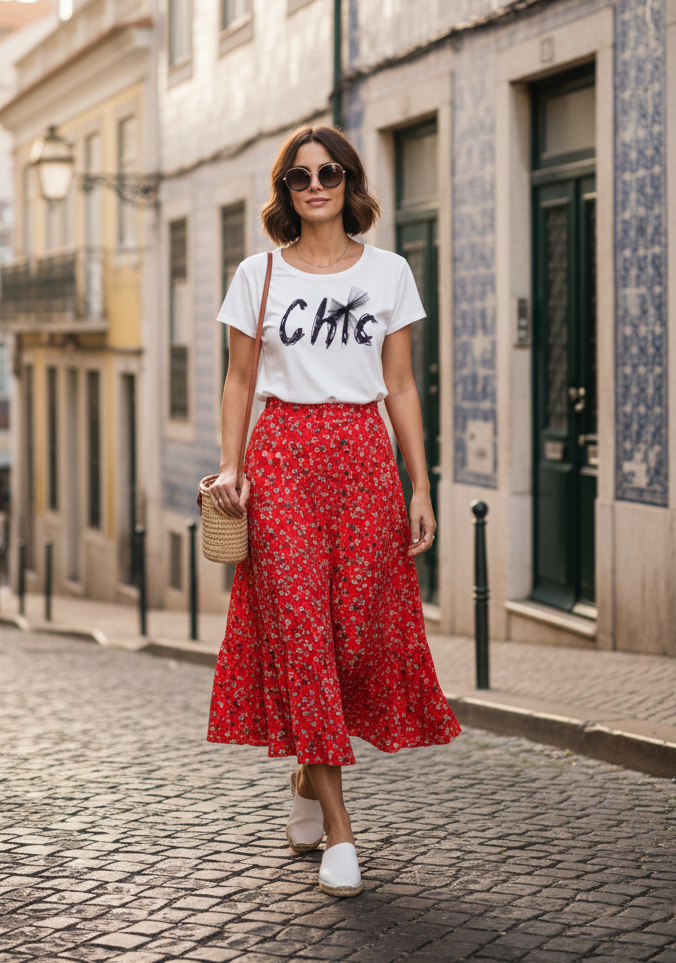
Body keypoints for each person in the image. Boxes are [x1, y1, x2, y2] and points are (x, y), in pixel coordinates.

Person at [206, 126, 460, 899]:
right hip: (283, 454)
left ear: (351, 182)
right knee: (305, 638)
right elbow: (239, 381)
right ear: (284, 191)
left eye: (329, 172)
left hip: (362, 456)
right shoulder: (259, 275)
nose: (315, 185)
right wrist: (232, 465)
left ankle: (304, 780)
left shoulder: (389, 273)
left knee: (354, 634)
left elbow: (405, 385)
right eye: (299, 177)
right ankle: (342, 837)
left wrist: (421, 485)